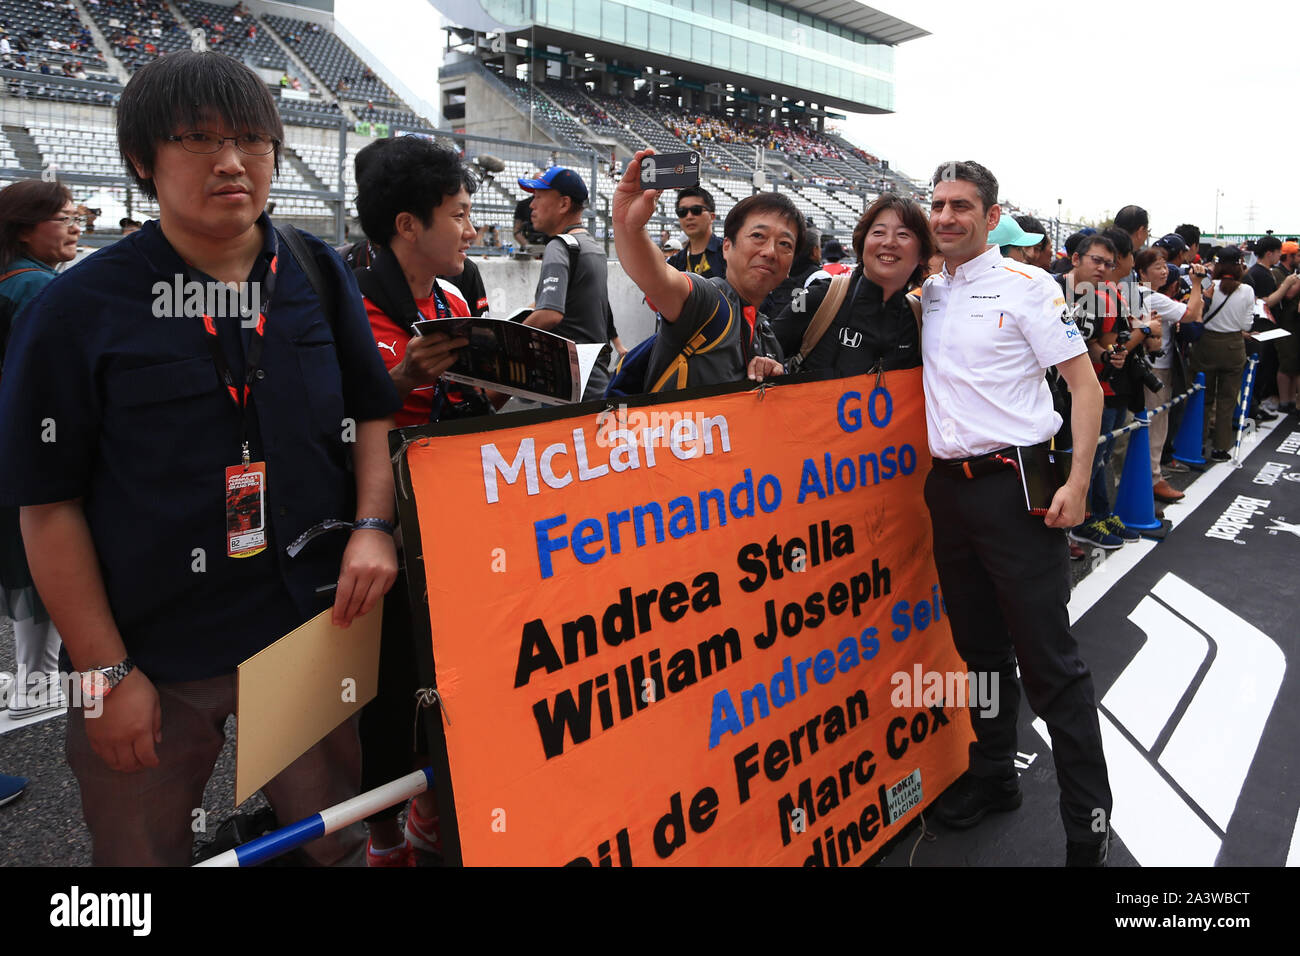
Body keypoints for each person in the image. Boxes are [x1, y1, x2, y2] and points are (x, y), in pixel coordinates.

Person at [0, 51, 401, 867]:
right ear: (144, 161)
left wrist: (372, 526)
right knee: (135, 857)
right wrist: (105, 675)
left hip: (308, 628)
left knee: (333, 841)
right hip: (144, 647)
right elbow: (46, 504)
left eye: (252, 139)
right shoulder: (77, 308)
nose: (231, 161)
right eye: (196, 140)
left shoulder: (316, 271)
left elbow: (372, 415)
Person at [921, 160, 1111, 866]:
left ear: (990, 213)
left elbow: (1083, 387)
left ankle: (1086, 830)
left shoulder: (1029, 287)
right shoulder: (931, 291)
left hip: (1018, 489)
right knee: (980, 656)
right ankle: (996, 775)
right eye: (937, 203)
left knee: (1051, 666)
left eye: (961, 205)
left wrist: (1081, 481)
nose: (946, 216)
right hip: (949, 491)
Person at [612, 148, 794, 390]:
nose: (770, 251)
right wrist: (629, 228)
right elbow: (657, 277)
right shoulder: (710, 298)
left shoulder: (769, 341)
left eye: (785, 244)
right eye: (758, 236)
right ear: (727, 248)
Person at [0, 180, 81, 718]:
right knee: (44, 562)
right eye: (66, 217)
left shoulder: (12, 281)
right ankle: (36, 682)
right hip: (34, 447)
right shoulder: (36, 289)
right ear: (26, 227)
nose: (77, 225)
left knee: (18, 562)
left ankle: (30, 678)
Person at [771, 194, 932, 377]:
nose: (889, 242)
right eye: (878, 232)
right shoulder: (819, 298)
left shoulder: (921, 320)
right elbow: (762, 353)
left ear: (921, 254)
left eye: (903, 234)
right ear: (862, 244)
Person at [518, 166, 611, 400]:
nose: (531, 205)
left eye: (538, 197)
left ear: (563, 204)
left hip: (568, 384)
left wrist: (510, 342)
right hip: (595, 380)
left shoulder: (558, 246)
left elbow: (550, 314)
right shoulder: (592, 248)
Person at [1134, 249, 1205, 502]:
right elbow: (1192, 315)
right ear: (1141, 272)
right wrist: (1197, 284)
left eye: (1165, 265)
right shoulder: (1150, 296)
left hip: (1146, 367)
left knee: (1149, 425)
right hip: (1156, 368)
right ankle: (1152, 480)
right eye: (1157, 266)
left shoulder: (1135, 293)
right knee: (1156, 424)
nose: (1164, 271)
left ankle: (1148, 478)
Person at [1191, 252, 1255, 460]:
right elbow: (1247, 325)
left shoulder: (1208, 286)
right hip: (1233, 347)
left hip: (1207, 344)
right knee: (1227, 400)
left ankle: (1198, 443)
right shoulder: (1246, 290)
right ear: (1240, 267)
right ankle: (1220, 447)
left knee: (1203, 397)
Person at [666, 185, 726, 278]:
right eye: (682, 212)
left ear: (712, 217)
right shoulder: (675, 262)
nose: (689, 216)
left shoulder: (727, 253)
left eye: (696, 210)